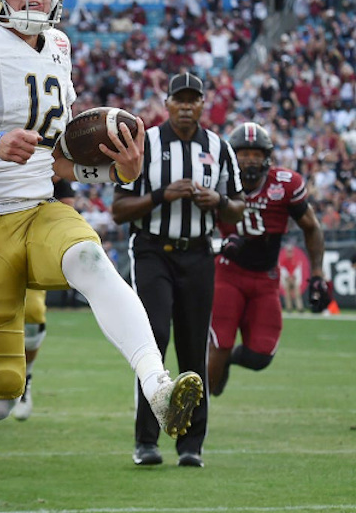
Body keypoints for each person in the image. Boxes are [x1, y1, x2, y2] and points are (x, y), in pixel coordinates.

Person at [0, 0, 203, 464]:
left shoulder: (58, 47)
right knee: (0, 396)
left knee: (90, 257)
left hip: (39, 211)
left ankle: (157, 385)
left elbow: (59, 161)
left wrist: (120, 171)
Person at [112, 71, 245, 468]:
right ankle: (146, 441)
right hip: (153, 249)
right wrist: (160, 195)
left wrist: (217, 201)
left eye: (194, 100)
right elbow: (118, 209)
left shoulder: (220, 147)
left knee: (192, 347)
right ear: (166, 103)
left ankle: (191, 445)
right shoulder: (146, 144)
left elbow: (238, 207)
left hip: (199, 253)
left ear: (204, 105)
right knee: (153, 338)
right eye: (179, 99)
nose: (187, 107)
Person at [208, 122, 328, 397]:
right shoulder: (218, 181)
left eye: (256, 153)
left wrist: (318, 274)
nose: (251, 159)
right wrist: (220, 243)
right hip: (228, 272)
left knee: (261, 355)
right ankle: (197, 422)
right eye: (244, 153)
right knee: (221, 343)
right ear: (232, 155)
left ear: (267, 156)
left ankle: (228, 361)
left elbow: (311, 226)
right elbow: (195, 227)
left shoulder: (286, 184)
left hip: (266, 277)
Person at [10, 176, 76, 422]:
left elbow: (67, 205)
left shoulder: (45, 158)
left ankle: (24, 378)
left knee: (34, 315)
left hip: (29, 245)